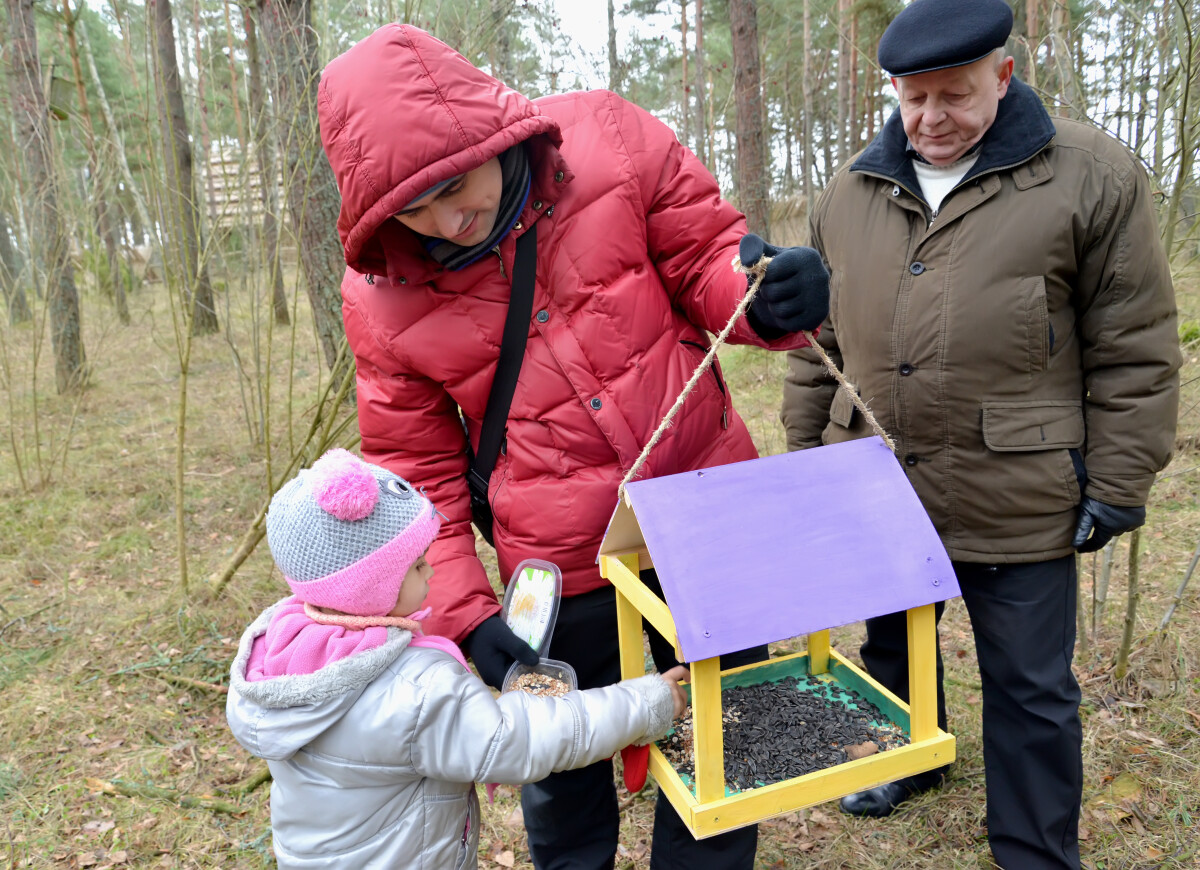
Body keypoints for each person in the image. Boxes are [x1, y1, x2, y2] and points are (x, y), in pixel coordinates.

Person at [315, 23, 829, 870]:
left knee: (725, 747)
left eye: (457, 182)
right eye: (415, 207)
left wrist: (764, 296)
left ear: (490, 135)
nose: (450, 218)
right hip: (564, 564)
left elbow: (707, 260)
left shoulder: (611, 139)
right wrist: (468, 614)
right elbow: (416, 475)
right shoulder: (379, 296)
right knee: (562, 776)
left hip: (709, 519)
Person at [780, 1, 1181, 868]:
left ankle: (1034, 847)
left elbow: (1135, 345)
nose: (931, 119)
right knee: (891, 645)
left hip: (1021, 481)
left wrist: (1117, 481)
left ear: (1004, 75)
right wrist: (805, 463)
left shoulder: (1089, 173)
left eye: (955, 95)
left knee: (1031, 686)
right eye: (912, 97)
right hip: (878, 477)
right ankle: (908, 760)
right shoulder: (848, 191)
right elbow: (816, 345)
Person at [225, 448, 690, 869]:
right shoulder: (412, 691)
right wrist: (646, 703)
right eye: (416, 565)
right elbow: (520, 739)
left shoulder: (289, 647)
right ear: (368, 590)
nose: (432, 571)